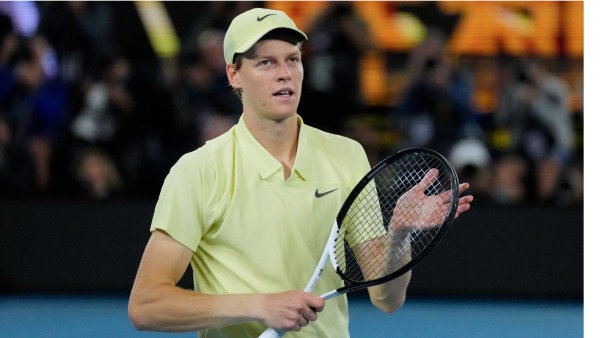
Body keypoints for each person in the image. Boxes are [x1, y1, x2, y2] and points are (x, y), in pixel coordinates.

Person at [128, 7, 473, 338]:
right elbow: (146, 305)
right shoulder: (197, 171)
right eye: (266, 62)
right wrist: (258, 306)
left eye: (293, 59)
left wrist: (399, 236)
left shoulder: (347, 155)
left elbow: (387, 300)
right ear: (234, 74)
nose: (285, 73)